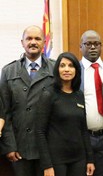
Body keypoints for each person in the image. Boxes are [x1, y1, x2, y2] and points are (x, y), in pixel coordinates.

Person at [0, 25, 55, 176]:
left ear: (44, 42)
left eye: (37, 38)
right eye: (29, 38)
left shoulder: (55, 68)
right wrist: (9, 146)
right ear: (22, 42)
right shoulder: (8, 71)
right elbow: (4, 112)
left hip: (48, 148)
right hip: (19, 147)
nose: (33, 42)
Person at [36, 52, 95, 176]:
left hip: (79, 159)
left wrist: (90, 159)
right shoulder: (48, 94)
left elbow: (83, 129)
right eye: (62, 66)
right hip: (56, 160)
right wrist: (47, 165)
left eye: (71, 66)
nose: (66, 69)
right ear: (57, 69)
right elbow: (40, 131)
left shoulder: (79, 95)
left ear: (76, 70)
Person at [79, 30, 103, 176]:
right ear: (81, 47)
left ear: (101, 46)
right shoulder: (74, 71)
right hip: (83, 137)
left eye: (96, 44)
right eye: (88, 44)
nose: (92, 47)